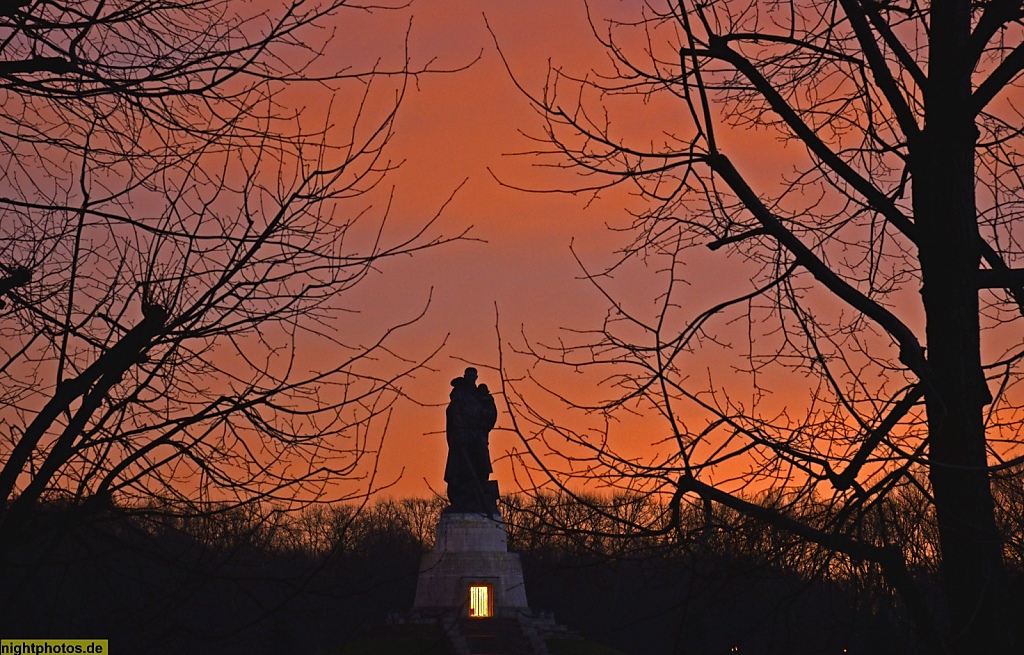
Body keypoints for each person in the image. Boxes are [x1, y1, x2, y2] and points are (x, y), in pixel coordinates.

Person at [444, 368, 498, 513]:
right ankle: (461, 495)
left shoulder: (481, 395)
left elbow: (492, 413)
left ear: (476, 377)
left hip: (478, 433)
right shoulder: (459, 393)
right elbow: (454, 412)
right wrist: (459, 429)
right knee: (460, 466)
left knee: (481, 463)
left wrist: (484, 422)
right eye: (468, 376)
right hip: (463, 433)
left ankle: (481, 492)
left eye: (473, 376)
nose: (471, 378)